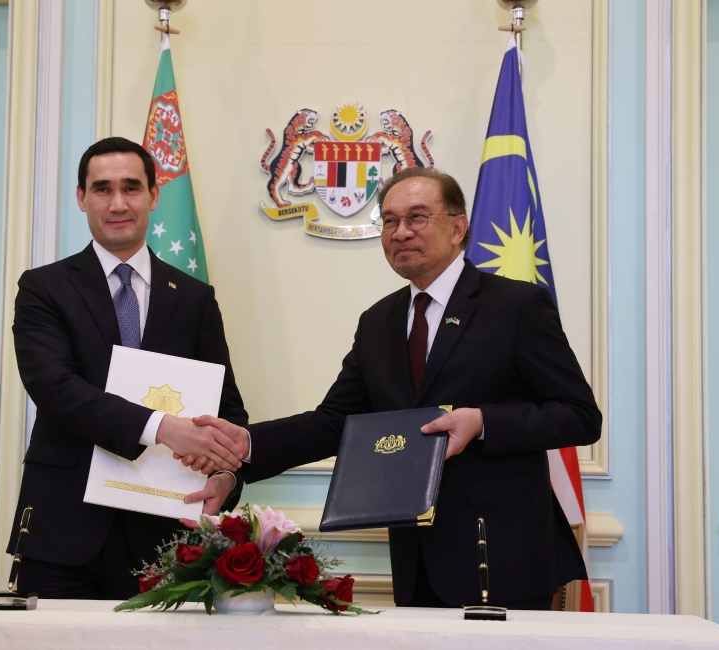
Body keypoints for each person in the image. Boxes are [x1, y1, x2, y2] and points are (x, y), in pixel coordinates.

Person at [190, 167, 601, 609]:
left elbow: (579, 415)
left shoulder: (516, 306)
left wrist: (483, 422)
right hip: (416, 560)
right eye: (389, 221)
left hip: (503, 557)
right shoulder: (378, 322)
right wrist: (246, 445)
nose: (401, 232)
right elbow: (333, 422)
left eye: (418, 217)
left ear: (458, 227)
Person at [8, 137, 250, 599]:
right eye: (101, 189)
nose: (118, 203)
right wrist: (164, 428)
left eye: (131, 188)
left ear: (154, 195)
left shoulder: (195, 298)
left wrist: (226, 477)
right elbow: (54, 387)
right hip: (64, 530)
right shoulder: (44, 288)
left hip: (164, 535)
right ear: (81, 198)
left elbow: (228, 410)